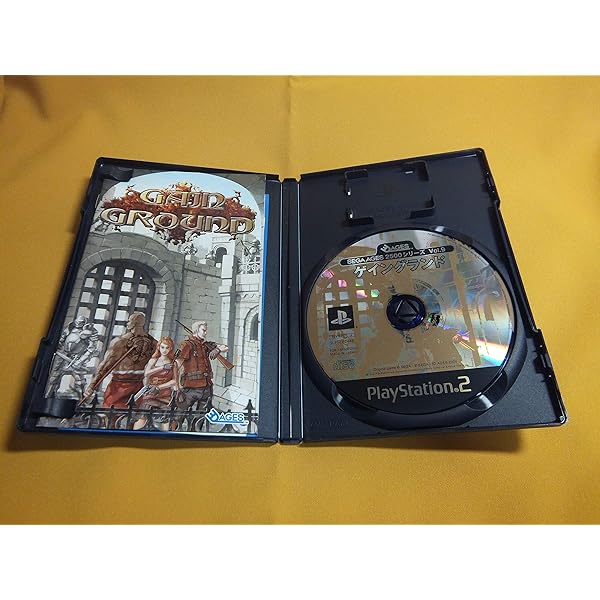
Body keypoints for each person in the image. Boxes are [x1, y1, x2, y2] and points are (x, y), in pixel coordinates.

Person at [83, 312, 156, 408]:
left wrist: (92, 386)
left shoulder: (120, 342)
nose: (127, 323)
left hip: (119, 386)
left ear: (134, 323)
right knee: (130, 413)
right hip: (137, 385)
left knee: (111, 412)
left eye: (129, 321)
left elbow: (105, 366)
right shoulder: (154, 343)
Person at [175, 321, 229, 414]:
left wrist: (218, 349)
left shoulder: (205, 345)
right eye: (203, 330)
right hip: (191, 388)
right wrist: (177, 387)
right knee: (179, 415)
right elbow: (176, 366)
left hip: (207, 388)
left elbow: (226, 347)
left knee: (200, 417)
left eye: (206, 330)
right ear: (196, 330)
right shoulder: (186, 345)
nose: (206, 333)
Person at [46, 315, 99, 398]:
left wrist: (80, 361)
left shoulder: (89, 332)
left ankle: (83, 399)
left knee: (79, 381)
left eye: (81, 322)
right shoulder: (70, 328)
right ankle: (49, 395)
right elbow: (61, 340)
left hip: (77, 358)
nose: (78, 323)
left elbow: (91, 349)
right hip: (63, 355)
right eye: (77, 321)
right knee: (54, 377)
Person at [132, 337, 178, 430]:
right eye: (162, 347)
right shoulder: (153, 360)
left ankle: (167, 436)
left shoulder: (174, 363)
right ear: (159, 347)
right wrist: (162, 367)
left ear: (170, 349)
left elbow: (174, 381)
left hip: (165, 394)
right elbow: (146, 373)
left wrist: (159, 387)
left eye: (167, 348)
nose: (164, 350)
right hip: (151, 392)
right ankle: (134, 433)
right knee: (143, 413)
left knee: (167, 417)